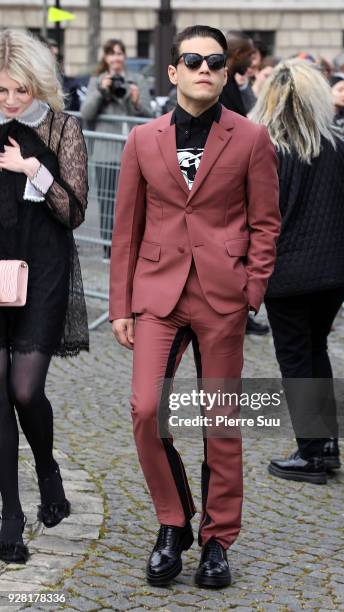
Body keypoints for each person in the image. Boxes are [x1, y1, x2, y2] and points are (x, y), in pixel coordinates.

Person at [109, 24, 280, 587]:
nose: (204, 68)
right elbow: (126, 230)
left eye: (215, 61)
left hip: (222, 296)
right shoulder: (141, 139)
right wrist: (121, 307)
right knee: (143, 409)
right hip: (157, 295)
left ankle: (216, 540)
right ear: (174, 70)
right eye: (193, 59)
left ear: (226, 73)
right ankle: (172, 521)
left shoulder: (251, 139)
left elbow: (265, 224)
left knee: (220, 421)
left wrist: (251, 291)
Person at [250, 59, 344, 484]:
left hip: (290, 272)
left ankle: (313, 451)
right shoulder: (338, 146)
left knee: (297, 357)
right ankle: (325, 443)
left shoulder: (268, 148)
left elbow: (260, 216)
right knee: (316, 352)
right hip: (332, 271)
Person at [0, 30, 88, 563]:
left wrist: (33, 169)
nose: (10, 102)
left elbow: (74, 211)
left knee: (26, 390)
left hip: (44, 273)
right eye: (1, 91)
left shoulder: (61, 129)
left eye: (20, 91)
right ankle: (11, 512)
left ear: (40, 85)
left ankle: (47, 469)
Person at [81, 39, 153, 259]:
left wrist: (137, 101)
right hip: (106, 152)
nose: (116, 58)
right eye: (111, 54)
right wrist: (102, 92)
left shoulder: (137, 79)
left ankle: (132, 247)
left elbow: (149, 115)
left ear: (125, 56)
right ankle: (107, 249)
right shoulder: (98, 80)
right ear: (105, 58)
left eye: (120, 53)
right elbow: (86, 113)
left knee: (134, 201)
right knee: (107, 202)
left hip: (134, 151)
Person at [220, 30, 270, 336]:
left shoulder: (234, 85)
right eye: (249, 56)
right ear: (236, 56)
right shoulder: (222, 85)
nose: (253, 62)